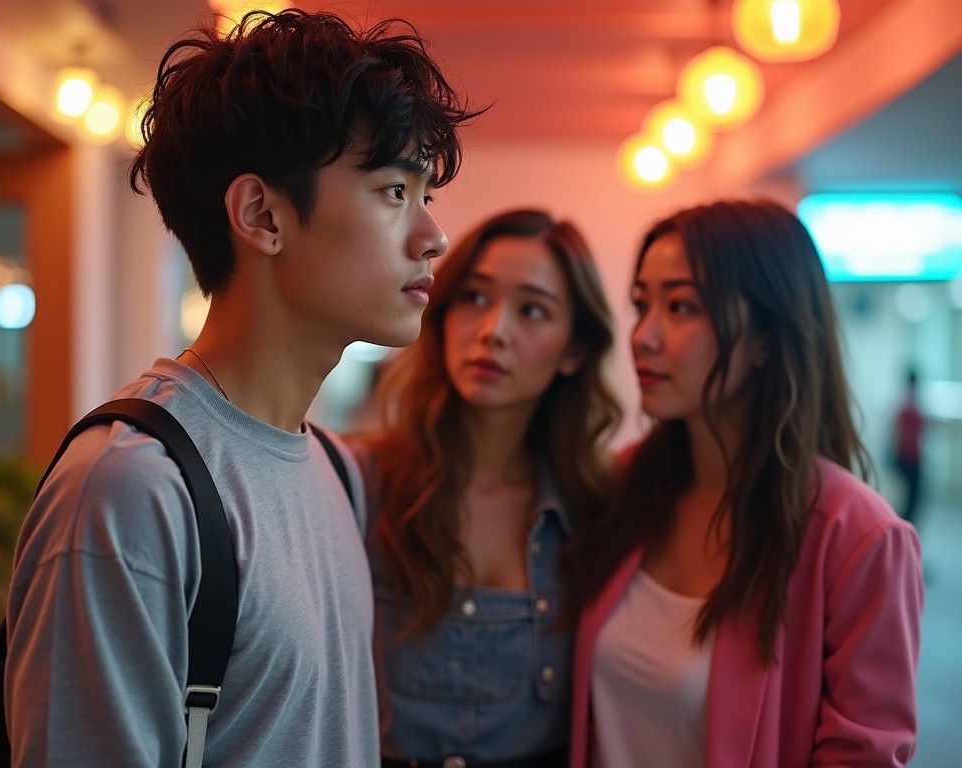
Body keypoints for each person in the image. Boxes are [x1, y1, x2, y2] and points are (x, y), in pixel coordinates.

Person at [5, 8, 477, 766]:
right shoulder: (129, 491)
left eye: (426, 196)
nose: (432, 236)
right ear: (262, 215)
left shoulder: (332, 468)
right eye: (394, 191)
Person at [566, 200, 924, 767]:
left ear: (766, 336)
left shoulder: (858, 538)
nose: (644, 336)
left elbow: (864, 755)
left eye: (681, 306)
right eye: (642, 305)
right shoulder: (624, 484)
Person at [347, 209, 622, 767]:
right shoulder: (361, 479)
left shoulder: (598, 506)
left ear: (573, 350)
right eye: (475, 297)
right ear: (443, 314)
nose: (494, 330)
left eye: (533, 310)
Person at [893, 367, 924, 526]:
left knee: (910, 499)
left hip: (906, 455)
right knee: (912, 499)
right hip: (910, 457)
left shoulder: (905, 405)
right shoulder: (912, 406)